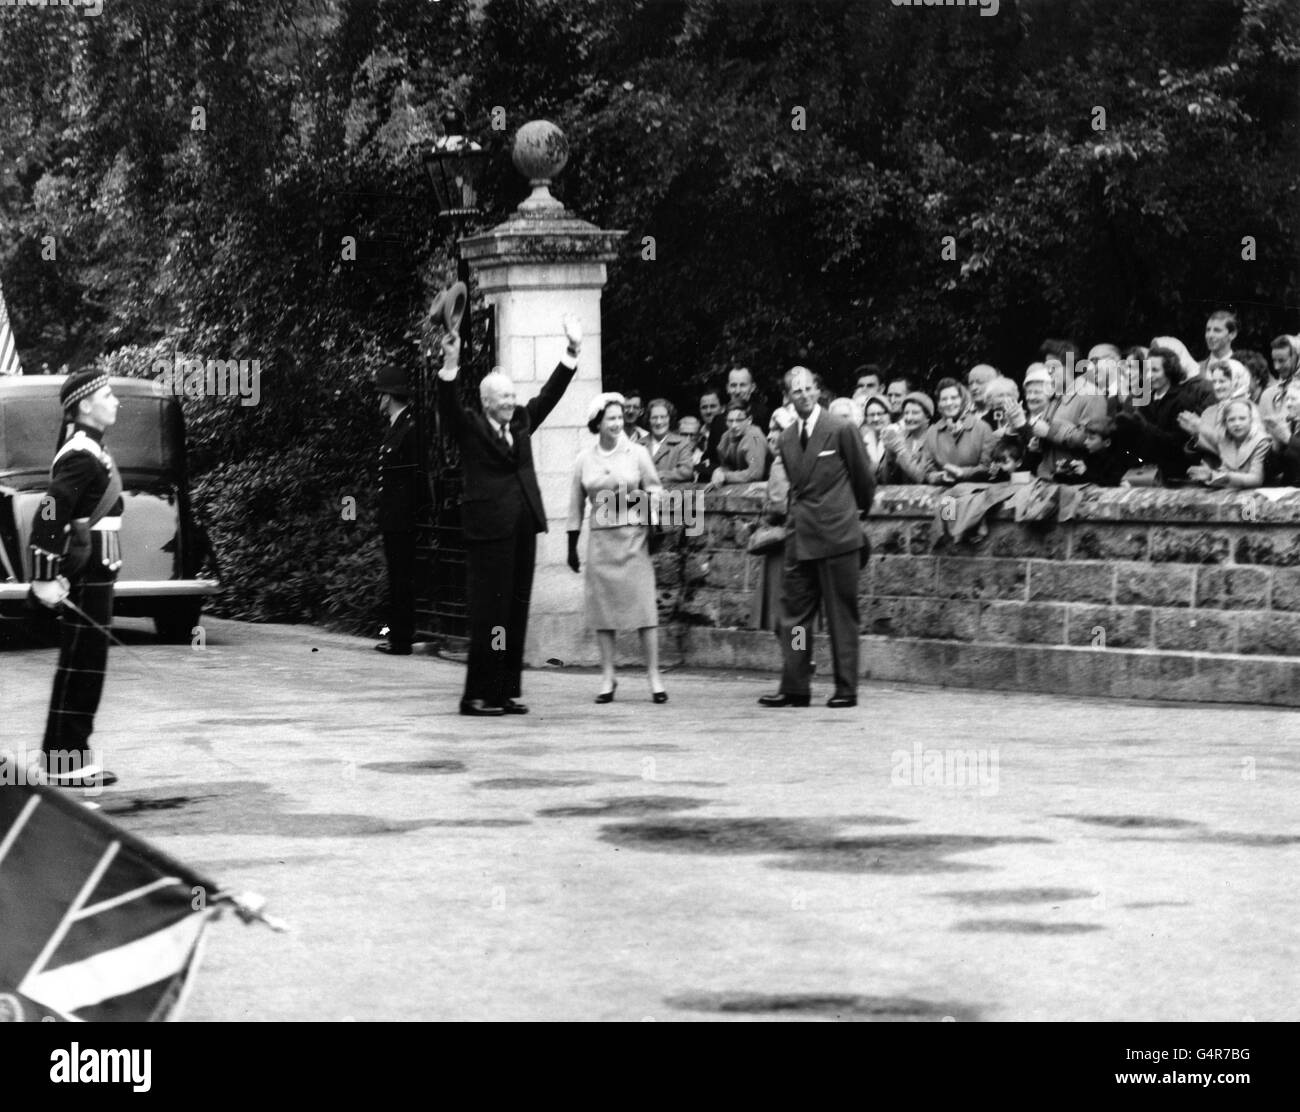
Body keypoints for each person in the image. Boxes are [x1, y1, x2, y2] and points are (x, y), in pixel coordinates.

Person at [436, 315, 582, 716]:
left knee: (515, 611)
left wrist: (571, 353)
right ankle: (475, 696)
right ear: (486, 402)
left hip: (523, 529)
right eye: (503, 397)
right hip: (488, 534)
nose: (510, 401)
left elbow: (548, 397)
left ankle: (503, 691)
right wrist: (451, 363)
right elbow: (447, 406)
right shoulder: (470, 426)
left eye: (512, 395)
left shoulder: (520, 420)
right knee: (490, 614)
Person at [27, 370, 123, 788]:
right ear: (85, 405)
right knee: (82, 664)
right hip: (87, 569)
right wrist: (44, 574)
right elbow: (51, 508)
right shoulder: (81, 453)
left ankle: (66, 758)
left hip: (99, 567)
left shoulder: (92, 449)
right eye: (107, 394)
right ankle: (66, 762)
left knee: (86, 663)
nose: (115, 400)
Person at [759, 367, 874, 709]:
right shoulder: (787, 437)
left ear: (818, 391)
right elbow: (793, 487)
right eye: (797, 392)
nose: (804, 396)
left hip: (838, 535)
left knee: (841, 616)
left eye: (809, 389)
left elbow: (864, 481)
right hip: (801, 538)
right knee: (795, 618)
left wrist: (852, 516)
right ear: (789, 398)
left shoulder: (841, 428)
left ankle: (846, 687)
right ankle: (795, 685)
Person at [567, 394, 667, 703]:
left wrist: (654, 519)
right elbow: (574, 504)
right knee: (603, 612)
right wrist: (571, 546)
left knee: (644, 608)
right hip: (601, 542)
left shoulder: (637, 453)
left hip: (633, 538)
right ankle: (608, 676)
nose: (616, 423)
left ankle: (653, 676)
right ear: (597, 422)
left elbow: (654, 487)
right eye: (610, 418)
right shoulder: (584, 459)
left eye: (620, 417)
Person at [373, 366, 429, 656]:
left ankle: (402, 640)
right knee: (396, 577)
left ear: (390, 396)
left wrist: (412, 514)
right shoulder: (396, 425)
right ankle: (398, 635)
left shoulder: (410, 427)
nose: (378, 399)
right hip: (393, 517)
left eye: (381, 393)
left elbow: (417, 477)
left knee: (402, 578)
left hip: (403, 517)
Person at [1115, 346, 1216, 485]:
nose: (1149, 375)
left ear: (1169, 371)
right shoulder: (1144, 399)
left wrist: (1144, 426)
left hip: (1177, 478)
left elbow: (1179, 444)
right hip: (1144, 474)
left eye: (1155, 370)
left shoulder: (1183, 400)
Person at [920, 378, 996, 484]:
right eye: (944, 399)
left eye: (954, 398)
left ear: (962, 400)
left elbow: (988, 468)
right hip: (943, 494)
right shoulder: (932, 432)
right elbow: (927, 471)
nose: (949, 403)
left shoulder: (982, 428)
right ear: (939, 404)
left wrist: (962, 473)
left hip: (976, 493)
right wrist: (941, 477)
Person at [1177, 359, 1252, 461]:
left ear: (1236, 380)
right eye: (1214, 381)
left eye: (1222, 381)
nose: (1217, 387)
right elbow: (1196, 455)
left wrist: (1201, 429)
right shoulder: (1209, 412)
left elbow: (1238, 455)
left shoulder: (1249, 410)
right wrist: (1195, 435)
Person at [1187, 399, 1268, 489]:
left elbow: (1256, 479)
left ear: (1251, 420)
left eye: (1242, 418)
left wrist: (1221, 476)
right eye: (1231, 420)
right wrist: (1210, 476)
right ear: (1225, 423)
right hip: (1234, 493)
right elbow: (1224, 473)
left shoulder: (1261, 441)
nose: (1237, 423)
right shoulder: (1225, 440)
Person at [712, 400, 770, 485]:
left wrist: (725, 476)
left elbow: (755, 474)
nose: (734, 426)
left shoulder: (754, 437)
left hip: (762, 487)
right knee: (694, 496)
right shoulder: (725, 437)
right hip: (738, 485)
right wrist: (720, 471)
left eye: (739, 420)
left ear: (749, 420)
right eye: (730, 421)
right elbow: (727, 465)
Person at [880, 391, 933, 483]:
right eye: (906, 413)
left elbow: (922, 478)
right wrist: (889, 453)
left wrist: (900, 450)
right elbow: (885, 479)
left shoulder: (934, 438)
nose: (908, 418)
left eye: (915, 413)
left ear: (927, 416)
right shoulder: (901, 437)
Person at [644, 398, 695, 484]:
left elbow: (687, 471)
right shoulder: (638, 444)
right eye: (654, 418)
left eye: (663, 417)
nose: (659, 422)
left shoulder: (682, 443)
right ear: (649, 420)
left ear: (669, 419)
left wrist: (662, 475)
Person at [726, 366, 769, 432]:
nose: (738, 391)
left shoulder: (763, 415)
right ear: (727, 388)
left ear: (752, 387)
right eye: (733, 385)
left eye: (743, 385)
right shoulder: (718, 420)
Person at [1198, 309, 1237, 376]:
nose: (1210, 335)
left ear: (1232, 335)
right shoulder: (1196, 369)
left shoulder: (1243, 367)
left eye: (1217, 330)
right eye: (1208, 330)